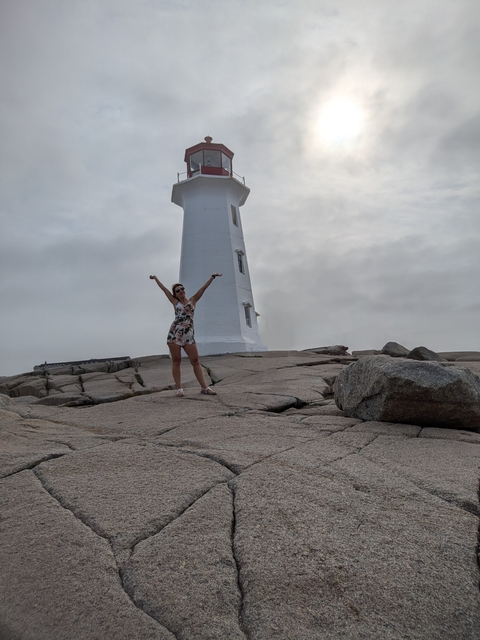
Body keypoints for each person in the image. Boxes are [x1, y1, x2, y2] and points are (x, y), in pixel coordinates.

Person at [149, 273, 222, 397]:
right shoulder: (174, 302)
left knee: (195, 360)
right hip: (175, 334)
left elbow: (203, 289)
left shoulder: (193, 300)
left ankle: (204, 387)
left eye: (182, 289)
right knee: (176, 361)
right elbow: (164, 289)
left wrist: (212, 277)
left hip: (188, 335)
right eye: (178, 290)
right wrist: (155, 278)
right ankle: (179, 389)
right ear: (175, 294)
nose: (181, 291)